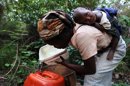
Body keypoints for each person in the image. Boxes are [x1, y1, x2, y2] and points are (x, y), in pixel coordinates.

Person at [37, 10, 126, 86]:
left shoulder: (82, 35)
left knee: (91, 80)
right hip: (102, 49)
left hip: (115, 49)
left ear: (63, 34)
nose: (55, 46)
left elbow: (90, 70)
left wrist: (65, 64)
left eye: (54, 42)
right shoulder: (72, 27)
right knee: (102, 76)